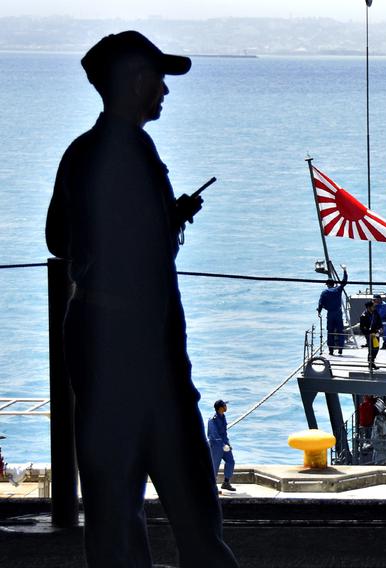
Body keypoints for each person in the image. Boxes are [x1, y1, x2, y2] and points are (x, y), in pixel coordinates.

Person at [44, 31, 237, 566]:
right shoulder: (137, 151)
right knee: (195, 507)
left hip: (92, 340)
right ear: (135, 83)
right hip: (147, 349)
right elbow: (139, 247)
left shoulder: (79, 153)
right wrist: (162, 222)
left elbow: (58, 240)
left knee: (113, 513)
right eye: (158, 81)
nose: (164, 93)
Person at [317, 266, 348, 356]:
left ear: (327, 284)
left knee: (330, 331)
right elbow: (344, 281)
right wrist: (345, 271)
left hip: (330, 313)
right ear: (333, 284)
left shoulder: (324, 292)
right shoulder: (338, 289)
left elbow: (320, 304)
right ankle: (340, 349)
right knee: (340, 331)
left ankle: (331, 350)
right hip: (338, 313)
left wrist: (319, 312)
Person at [207, 400, 235, 492]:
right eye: (224, 405)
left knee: (231, 461)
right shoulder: (212, 420)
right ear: (220, 408)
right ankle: (212, 487)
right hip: (216, 446)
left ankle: (226, 483)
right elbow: (214, 435)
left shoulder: (223, 417)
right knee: (214, 466)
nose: (226, 407)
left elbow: (224, 433)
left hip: (224, 444)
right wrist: (223, 445)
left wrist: (227, 443)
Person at [358, 300, 382, 370]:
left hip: (376, 333)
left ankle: (373, 361)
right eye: (373, 306)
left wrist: (380, 328)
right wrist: (368, 334)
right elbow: (362, 328)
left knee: (376, 348)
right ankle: (370, 363)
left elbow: (379, 321)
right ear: (369, 307)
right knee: (371, 349)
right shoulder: (364, 316)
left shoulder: (375, 313)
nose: (374, 307)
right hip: (369, 334)